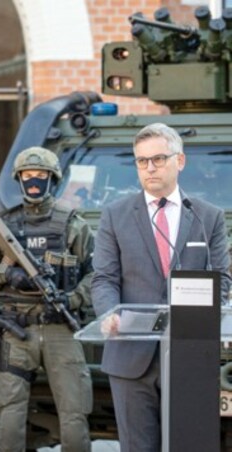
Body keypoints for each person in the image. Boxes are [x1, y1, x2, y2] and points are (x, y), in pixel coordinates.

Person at [92, 123, 231, 452]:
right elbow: (104, 279)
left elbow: (223, 279)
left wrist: (205, 310)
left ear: (179, 161)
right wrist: (109, 314)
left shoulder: (207, 217)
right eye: (142, 161)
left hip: (190, 354)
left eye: (158, 158)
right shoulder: (115, 215)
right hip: (130, 354)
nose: (149, 167)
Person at [0, 146, 93, 452]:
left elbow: (96, 275)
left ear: (53, 179)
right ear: (19, 179)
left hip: (60, 328)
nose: (34, 181)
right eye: (27, 175)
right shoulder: (4, 225)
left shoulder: (72, 224)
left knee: (74, 415)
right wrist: (7, 274)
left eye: (41, 175)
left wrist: (73, 298)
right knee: (9, 415)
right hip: (15, 330)